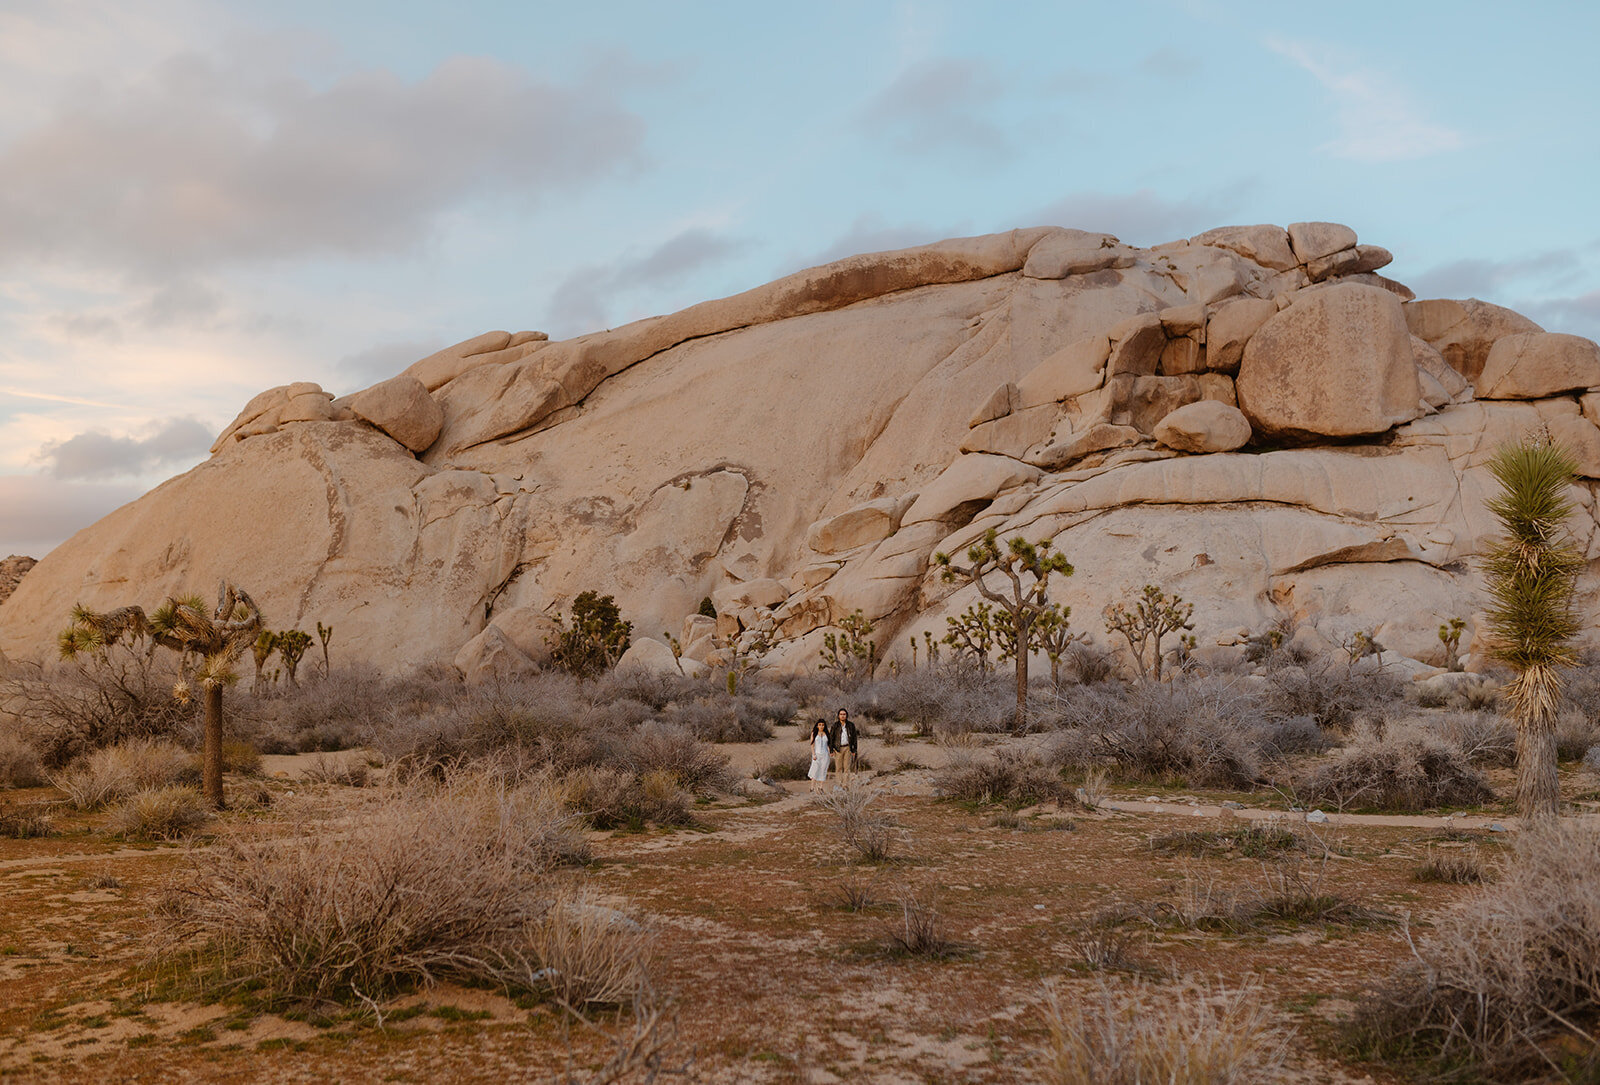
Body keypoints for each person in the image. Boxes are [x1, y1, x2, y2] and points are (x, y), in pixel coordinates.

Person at [828, 708, 858, 785]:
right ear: (838, 716)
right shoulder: (835, 725)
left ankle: (845, 784)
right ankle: (839, 784)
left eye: (844, 714)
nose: (842, 716)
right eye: (841, 714)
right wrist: (831, 750)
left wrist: (854, 750)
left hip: (848, 748)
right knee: (838, 768)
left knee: (847, 768)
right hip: (838, 749)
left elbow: (854, 738)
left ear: (846, 715)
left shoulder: (851, 725)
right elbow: (831, 738)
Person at [806, 719, 830, 793]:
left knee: (823, 770)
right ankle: (812, 788)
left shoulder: (827, 733)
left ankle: (820, 787)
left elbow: (829, 744)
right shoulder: (814, 733)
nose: (821, 726)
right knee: (815, 770)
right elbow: (812, 745)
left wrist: (831, 752)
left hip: (825, 755)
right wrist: (813, 754)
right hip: (817, 754)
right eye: (820, 725)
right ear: (817, 726)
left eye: (823, 725)